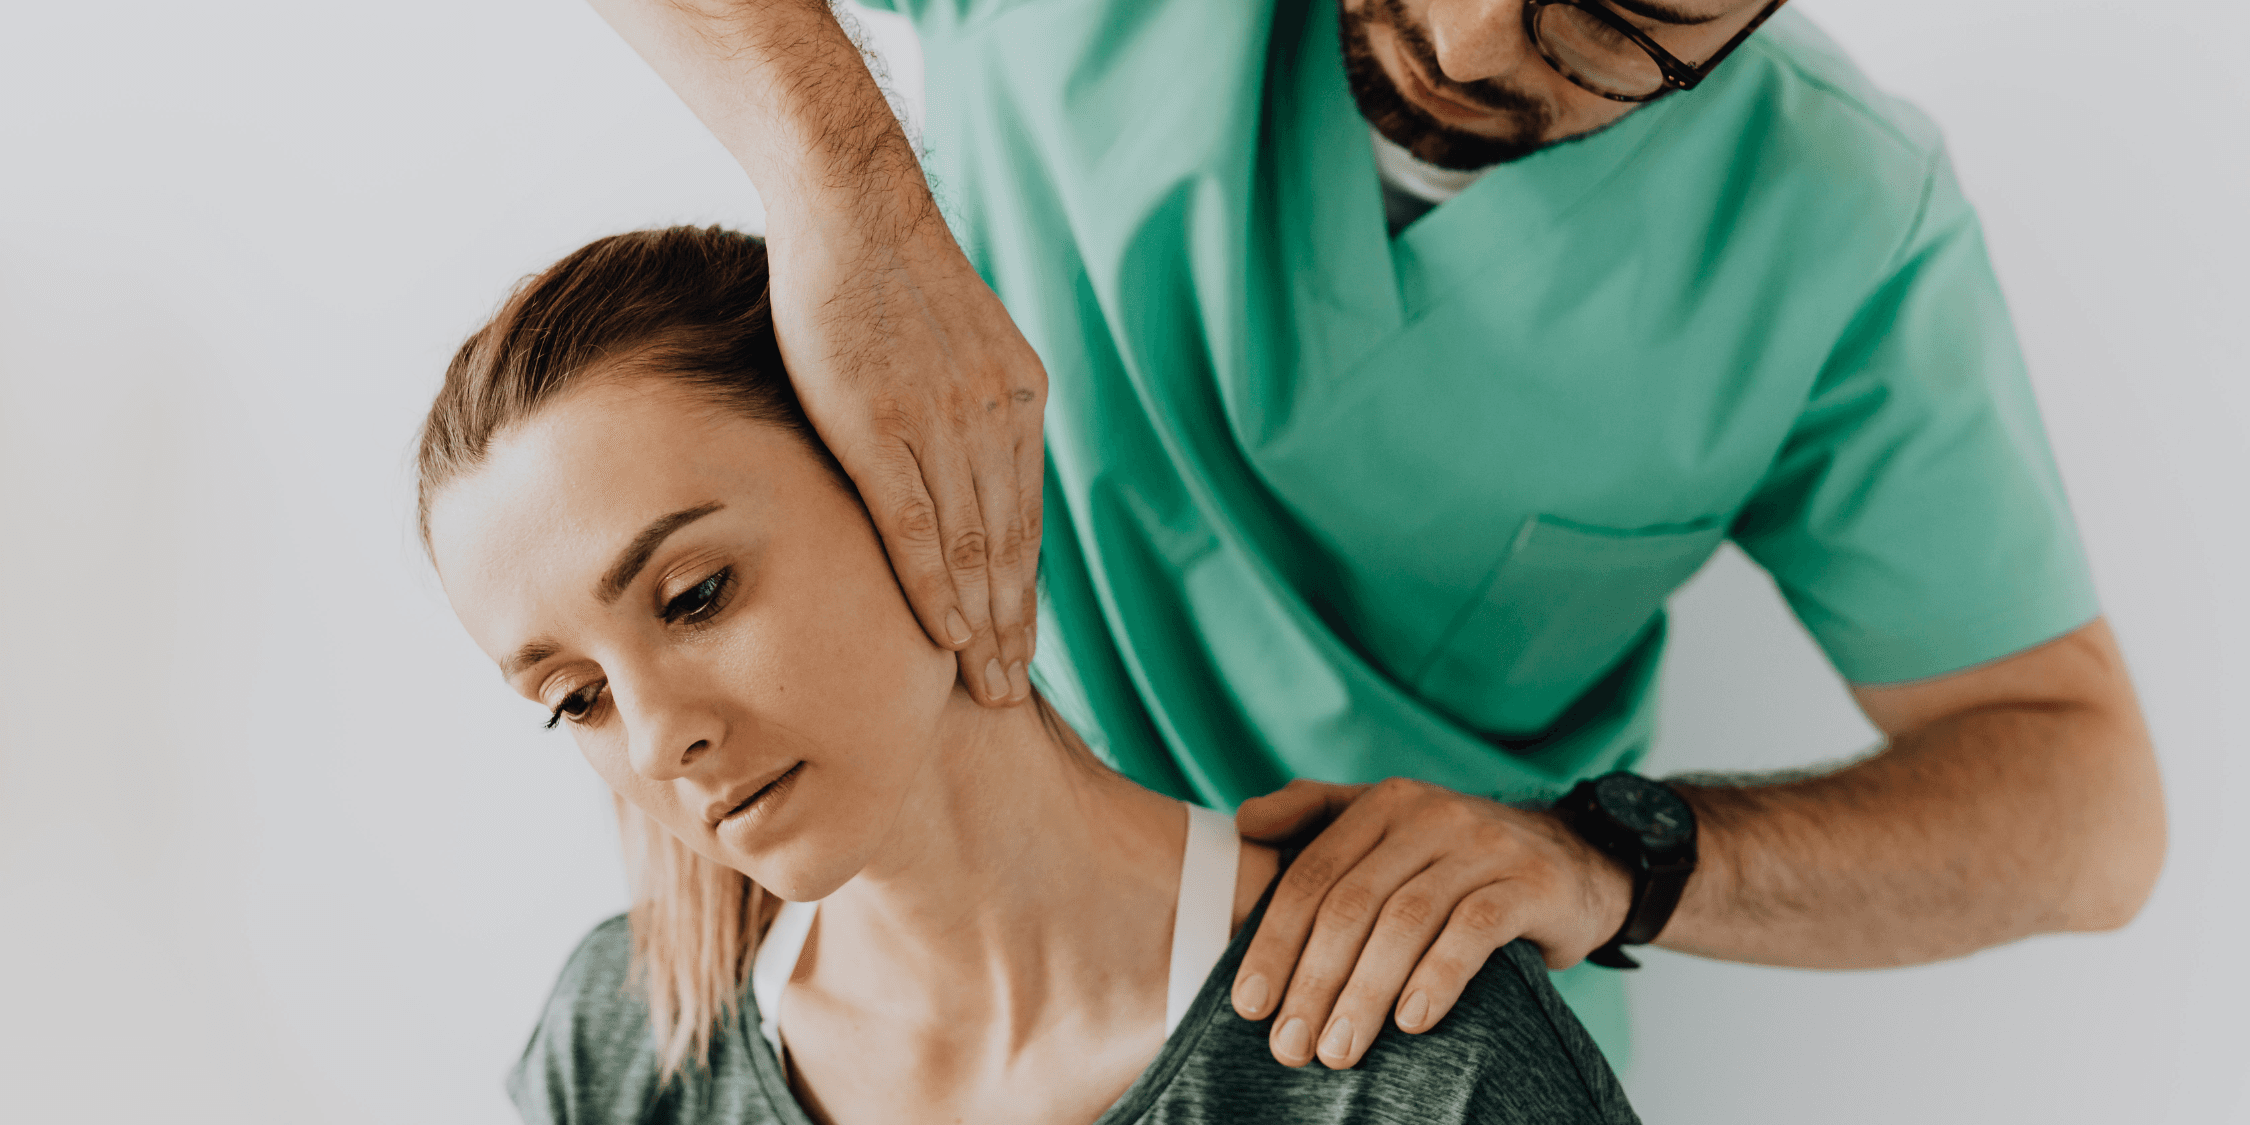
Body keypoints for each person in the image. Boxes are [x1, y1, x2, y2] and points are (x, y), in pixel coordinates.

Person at [582, 0, 2167, 1073]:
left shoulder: (1835, 223)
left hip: (1365, 1042)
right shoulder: (659, 1036)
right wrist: (845, 193)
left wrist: (1608, 854)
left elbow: (2085, 810)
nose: (1474, 38)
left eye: (1622, 9)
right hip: (907, 958)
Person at [417, 225, 1642, 1124]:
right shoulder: (627, 1044)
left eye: (695, 597)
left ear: (930, 487)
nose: (655, 740)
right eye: (576, 697)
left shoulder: (1410, 1051)